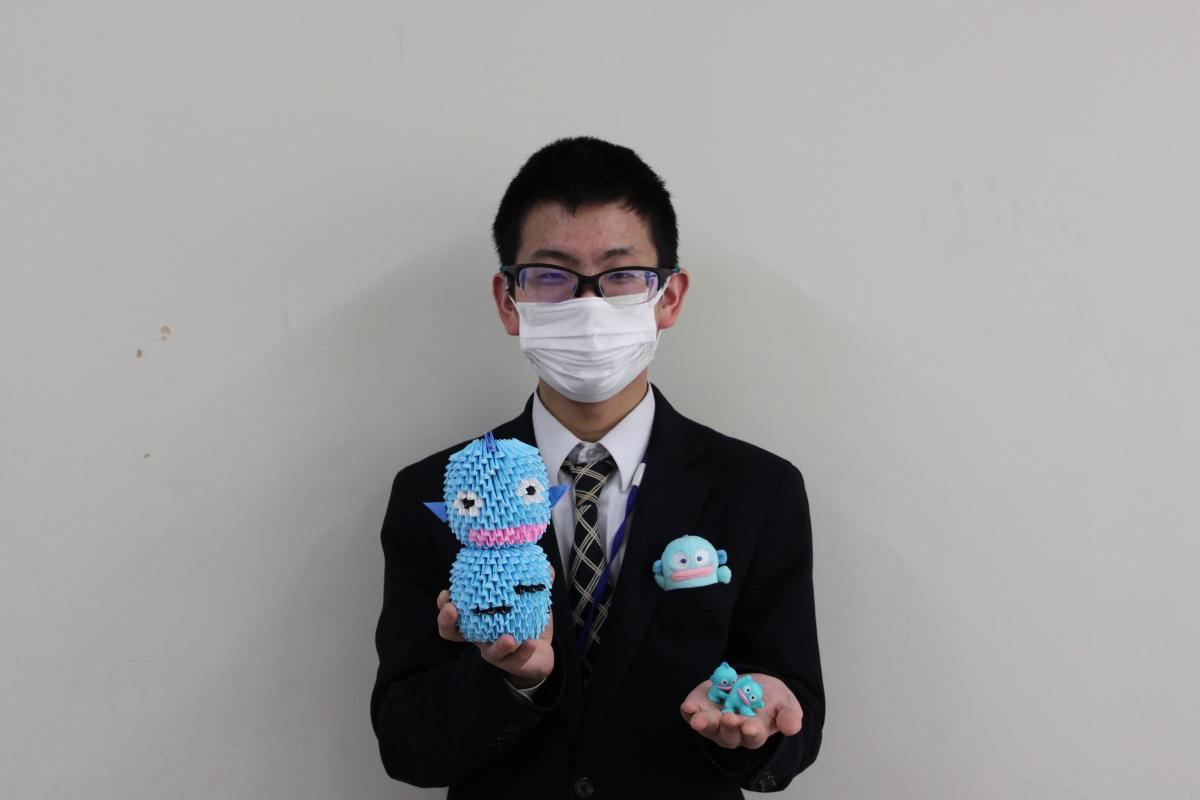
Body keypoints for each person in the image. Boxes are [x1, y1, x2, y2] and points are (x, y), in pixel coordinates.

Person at [370, 136, 824, 799]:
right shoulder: (435, 495)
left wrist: (760, 725)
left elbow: (794, 718)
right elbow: (406, 744)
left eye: (620, 274)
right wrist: (514, 678)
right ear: (509, 300)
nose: (587, 306)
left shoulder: (758, 489)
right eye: (551, 275)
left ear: (668, 297)